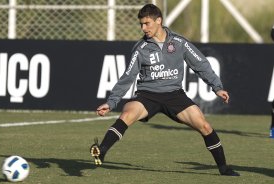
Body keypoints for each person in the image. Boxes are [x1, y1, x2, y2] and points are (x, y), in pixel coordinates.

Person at [90, 4, 239, 176]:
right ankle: (101, 150)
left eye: (147, 23)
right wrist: (111, 102)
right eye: (141, 24)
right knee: (127, 115)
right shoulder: (140, 48)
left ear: (158, 20)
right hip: (147, 95)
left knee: (204, 125)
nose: (143, 28)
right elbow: (128, 77)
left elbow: (201, 64)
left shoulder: (179, 42)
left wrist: (217, 87)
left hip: (174, 95)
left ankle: (223, 168)